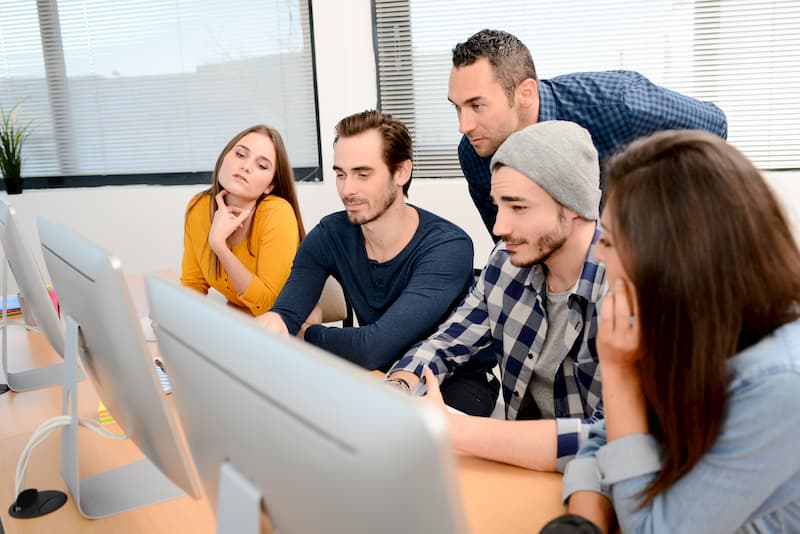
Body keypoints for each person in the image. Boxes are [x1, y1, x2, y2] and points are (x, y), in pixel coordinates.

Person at [561, 130, 800, 533]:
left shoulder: (781, 383)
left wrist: (618, 371)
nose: (598, 256)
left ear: (671, 265)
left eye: (612, 243)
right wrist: (582, 522)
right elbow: (604, 442)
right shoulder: (688, 325)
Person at [387, 120, 606, 472]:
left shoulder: (628, 286)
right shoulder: (506, 263)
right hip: (522, 469)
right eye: (498, 206)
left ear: (572, 205)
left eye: (518, 208)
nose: (499, 227)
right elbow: (446, 343)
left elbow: (613, 439)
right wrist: (398, 389)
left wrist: (458, 430)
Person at [257, 110, 500, 416]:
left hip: (453, 382)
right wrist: (274, 325)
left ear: (401, 172)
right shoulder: (329, 235)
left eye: (363, 174)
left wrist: (308, 334)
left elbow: (372, 347)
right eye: (340, 174)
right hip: (376, 376)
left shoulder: (448, 246)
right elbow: (284, 316)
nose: (347, 190)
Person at [448, 28, 729, 239]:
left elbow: (713, 127)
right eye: (458, 108)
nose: (465, 125)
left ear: (526, 93)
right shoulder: (474, 151)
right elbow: (509, 240)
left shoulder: (618, 103)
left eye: (477, 105)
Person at [181, 125, 305, 316]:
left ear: (270, 186)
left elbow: (270, 305)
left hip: (281, 327)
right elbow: (193, 283)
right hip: (237, 324)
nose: (246, 167)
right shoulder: (198, 207)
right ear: (224, 158)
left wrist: (219, 245)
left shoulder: (277, 213)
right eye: (240, 155)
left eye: (261, 165)